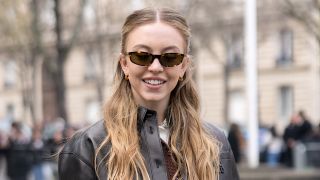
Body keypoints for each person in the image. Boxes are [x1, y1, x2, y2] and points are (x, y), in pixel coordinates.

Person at [58, 8, 239, 180]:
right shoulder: (88, 147)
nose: (155, 68)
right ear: (124, 64)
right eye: (142, 55)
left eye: (170, 57)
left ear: (183, 65)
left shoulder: (215, 143)